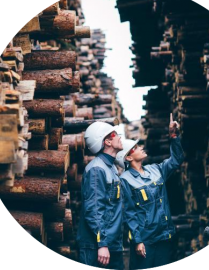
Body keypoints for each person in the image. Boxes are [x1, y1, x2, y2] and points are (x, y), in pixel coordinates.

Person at [116, 114, 185, 269]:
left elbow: (176, 160)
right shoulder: (125, 180)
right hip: (146, 240)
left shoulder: (155, 170)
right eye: (135, 147)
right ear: (128, 158)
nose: (141, 147)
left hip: (164, 236)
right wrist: (137, 241)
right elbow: (129, 213)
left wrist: (174, 136)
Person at [77, 121, 124, 269]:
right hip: (96, 247)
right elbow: (94, 210)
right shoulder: (97, 169)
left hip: (111, 244)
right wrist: (102, 244)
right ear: (107, 141)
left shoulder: (111, 168)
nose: (119, 136)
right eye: (115, 134)